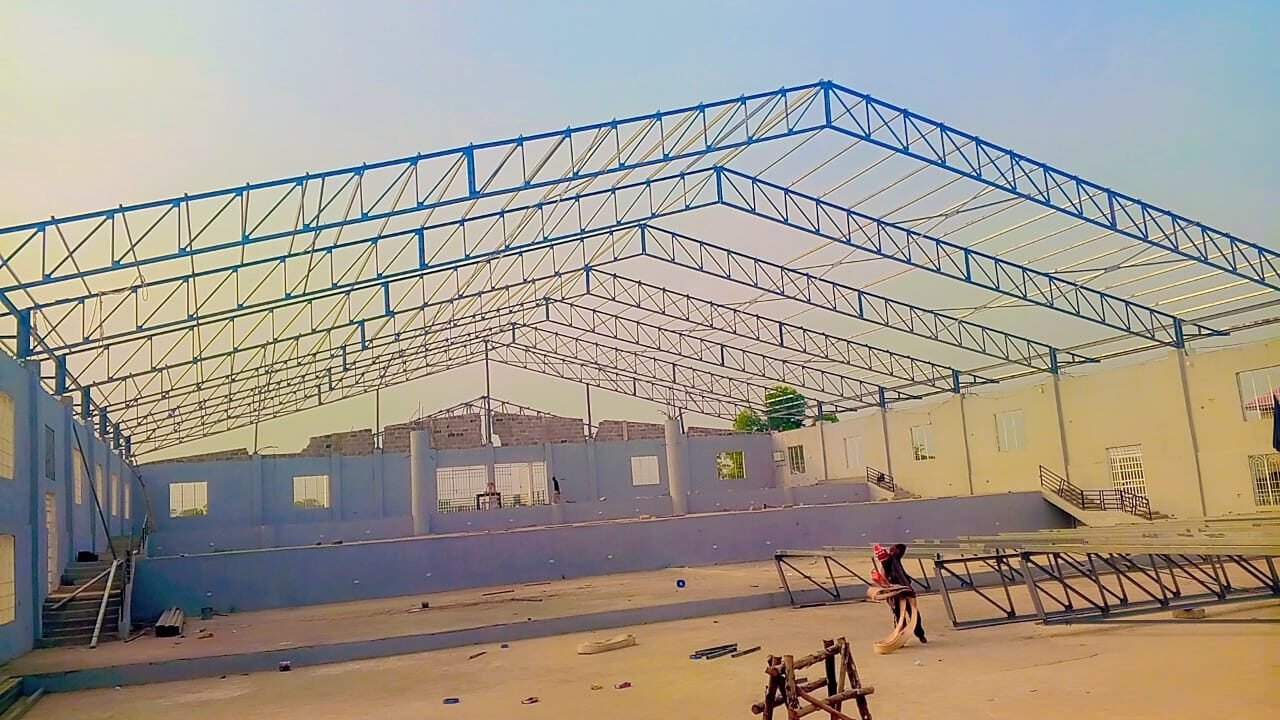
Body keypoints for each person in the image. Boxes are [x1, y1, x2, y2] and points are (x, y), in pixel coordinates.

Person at [874, 543, 927, 643]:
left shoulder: (894, 561)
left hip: (904, 592)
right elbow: (885, 583)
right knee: (900, 617)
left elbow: (901, 549)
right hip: (895, 595)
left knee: (913, 614)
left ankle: (920, 635)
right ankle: (901, 638)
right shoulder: (888, 566)